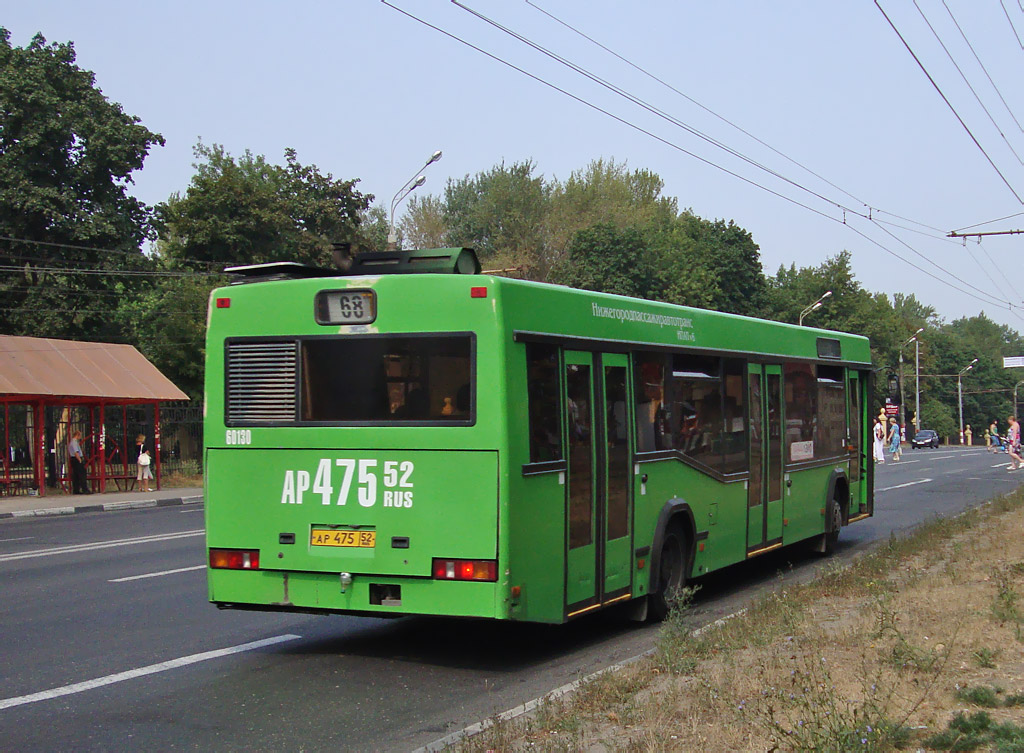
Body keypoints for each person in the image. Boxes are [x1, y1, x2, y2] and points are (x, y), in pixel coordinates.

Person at [67, 430, 90, 494]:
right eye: (80, 435)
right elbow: (76, 452)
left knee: (76, 475)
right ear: (77, 435)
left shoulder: (73, 442)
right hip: (76, 459)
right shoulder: (74, 442)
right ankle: (84, 489)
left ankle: (76, 490)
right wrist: (80, 460)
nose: (81, 437)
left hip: (74, 459)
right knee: (82, 474)